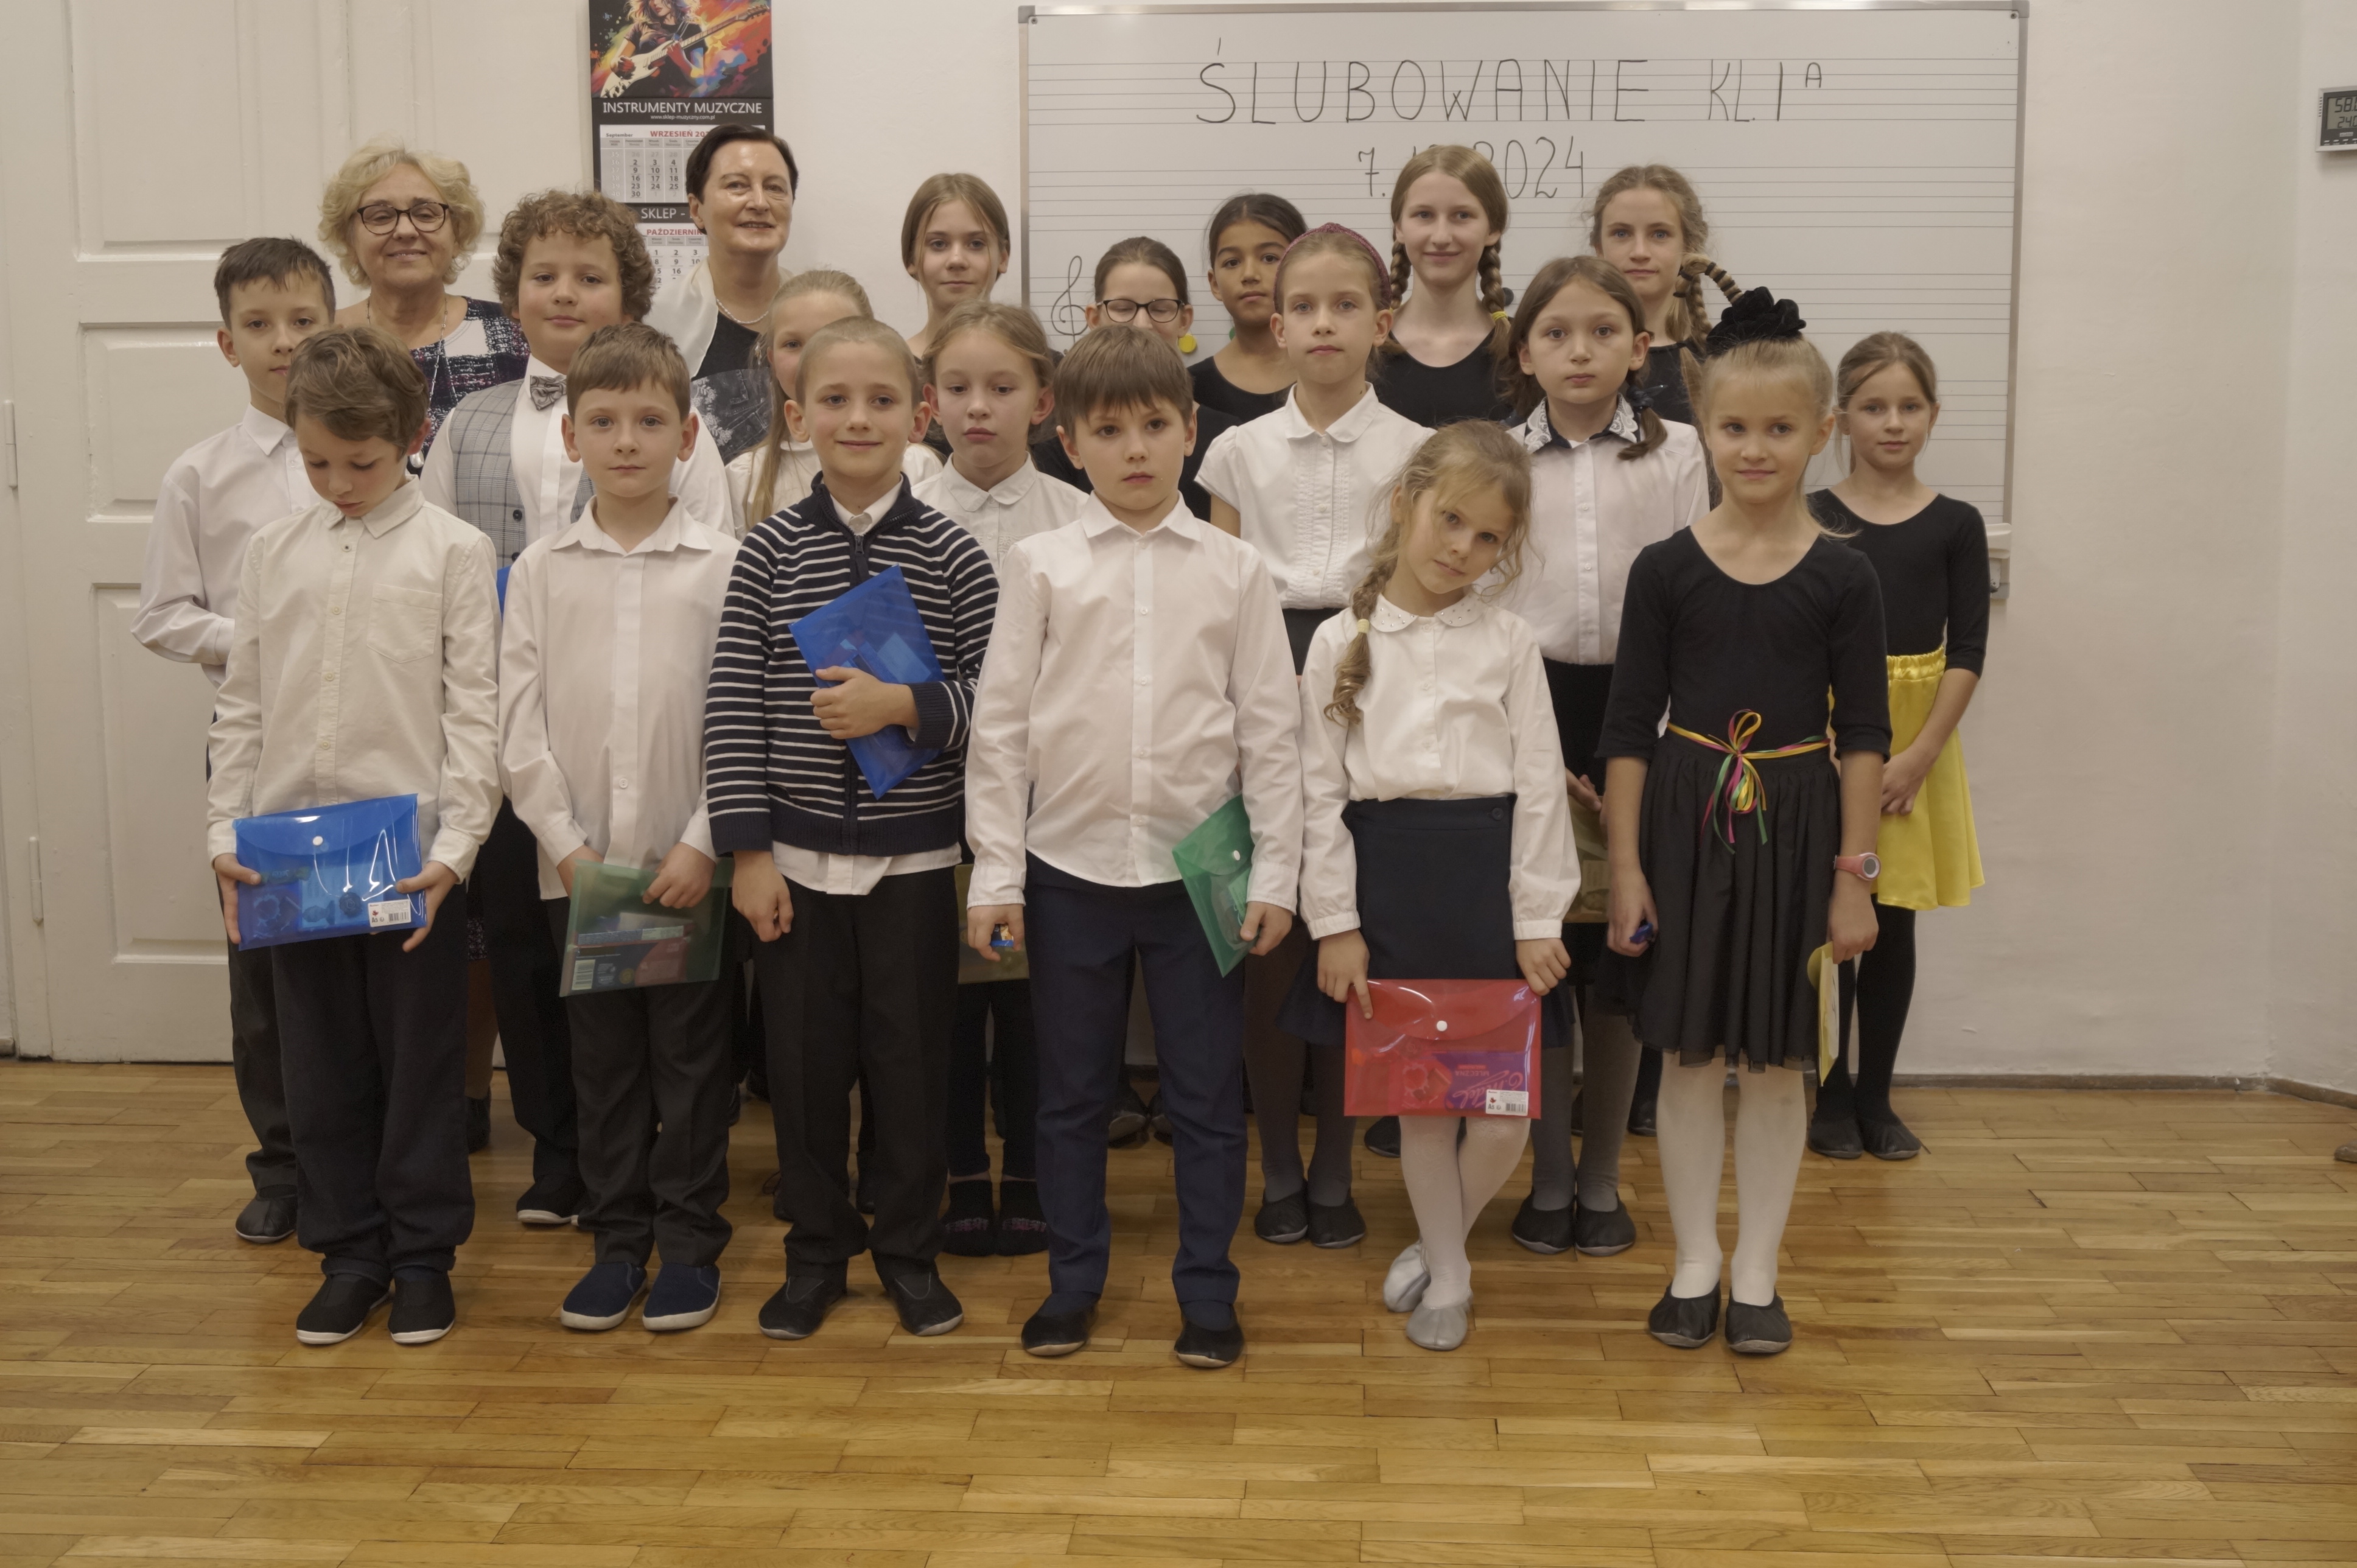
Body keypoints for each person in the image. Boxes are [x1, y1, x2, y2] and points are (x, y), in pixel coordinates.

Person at [965, 327, 1302, 1371]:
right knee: (1070, 1097)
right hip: (1069, 873)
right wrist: (996, 874)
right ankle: (1073, 1284)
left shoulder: (1237, 570)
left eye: (1155, 425)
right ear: (1070, 444)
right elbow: (1001, 728)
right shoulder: (1040, 564)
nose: (1136, 449)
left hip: (1200, 878)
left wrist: (1278, 874)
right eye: (1108, 432)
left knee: (1206, 1098)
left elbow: (1270, 732)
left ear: (1191, 432)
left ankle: (1207, 1290)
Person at [422, 189, 730, 1231]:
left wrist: (705, 832)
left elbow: (729, 669)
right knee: (541, 972)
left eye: (589, 276)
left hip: (675, 804)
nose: (565, 292)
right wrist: (559, 831)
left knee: (682, 1031)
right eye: (544, 275)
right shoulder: (473, 428)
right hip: (545, 770)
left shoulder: (715, 544)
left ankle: (682, 1209)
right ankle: (582, 1173)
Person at [1599, 290, 1889, 1357]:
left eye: (1779, 429)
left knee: (1774, 1062)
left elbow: (1864, 734)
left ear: (1822, 433)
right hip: (1683, 825)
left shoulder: (1845, 574)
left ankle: (1757, 1268)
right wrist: (1627, 868)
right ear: (1703, 430)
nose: (1755, 449)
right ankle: (1694, 1263)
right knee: (1682, 1057)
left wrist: (1853, 876)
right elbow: (1628, 730)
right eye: (1733, 427)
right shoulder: (1665, 570)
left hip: (1798, 829)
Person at [205, 325, 500, 1348]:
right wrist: (222, 834)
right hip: (288, 853)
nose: (338, 484)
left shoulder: (454, 551)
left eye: (361, 465)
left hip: (409, 854)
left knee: (418, 1063)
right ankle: (349, 1254)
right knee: (319, 1064)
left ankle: (421, 1257)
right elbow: (242, 706)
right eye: (317, 463)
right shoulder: (271, 553)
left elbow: (475, 714)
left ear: (412, 439)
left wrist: (456, 851)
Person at [706, 317, 998, 1342]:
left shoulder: (956, 556)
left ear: (920, 417)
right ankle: (815, 1256)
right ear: (798, 417)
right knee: (803, 1075)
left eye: (882, 400)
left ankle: (910, 1256)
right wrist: (748, 854)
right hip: (793, 871)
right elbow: (732, 706)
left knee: (912, 1074)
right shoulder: (766, 553)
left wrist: (904, 706)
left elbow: (1001, 707)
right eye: (834, 400)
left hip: (915, 867)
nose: (858, 418)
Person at [1290, 421, 1572, 1351]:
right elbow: (1317, 795)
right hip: (1389, 892)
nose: (1463, 548)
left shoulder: (1510, 641)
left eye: (1488, 537)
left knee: (1498, 1118)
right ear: (1406, 501)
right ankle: (1450, 1275)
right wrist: (1336, 923)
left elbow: (1540, 785)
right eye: (1450, 519)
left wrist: (1537, 916)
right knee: (1422, 1106)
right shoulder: (1339, 639)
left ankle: (1436, 1241)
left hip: (1488, 892)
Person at [497, 324, 742, 1334]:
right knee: (602, 1069)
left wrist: (703, 840)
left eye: (649, 421)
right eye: (603, 421)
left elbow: (743, 719)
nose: (627, 440)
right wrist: (567, 846)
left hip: (690, 868)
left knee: (692, 1067)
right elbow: (518, 728)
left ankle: (688, 1243)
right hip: (584, 872)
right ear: (571, 438)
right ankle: (617, 1241)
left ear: (687, 436)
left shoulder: (726, 566)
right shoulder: (543, 571)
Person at [1199, 223, 1429, 1242]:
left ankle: (1336, 1167)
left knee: (1350, 935)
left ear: (1383, 323)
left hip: (1374, 677)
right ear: (1277, 324)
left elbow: (1418, 591)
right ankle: (1281, 1171)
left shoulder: (1417, 451)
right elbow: (1218, 592)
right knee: (1271, 942)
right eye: (1303, 306)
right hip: (1259, 679)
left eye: (1346, 305)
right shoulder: (1236, 450)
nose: (1323, 323)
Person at [1492, 256, 1706, 1258]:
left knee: (1621, 953)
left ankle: (1602, 1177)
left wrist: (1651, 742)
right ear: (1523, 352)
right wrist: (1527, 750)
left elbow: (1696, 602)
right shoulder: (1496, 457)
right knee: (1540, 951)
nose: (1579, 351)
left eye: (1602, 331)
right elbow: (1478, 602)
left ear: (1640, 346)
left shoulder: (1680, 454)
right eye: (1556, 333)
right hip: (1524, 714)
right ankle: (1546, 1178)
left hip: (1641, 717)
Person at [134, 237, 338, 1247]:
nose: (283, 342)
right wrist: (254, 638)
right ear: (228, 344)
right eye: (259, 325)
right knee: (267, 975)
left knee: (358, 961)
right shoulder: (200, 476)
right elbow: (162, 615)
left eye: (303, 321)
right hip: (257, 755)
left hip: (368, 748)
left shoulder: (377, 460)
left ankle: (360, 1157)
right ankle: (285, 1166)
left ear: (335, 328)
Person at [913, 301, 1087, 1256]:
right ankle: (957, 1171)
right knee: (945, 997)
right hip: (926, 786)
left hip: (1043, 796)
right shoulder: (904, 513)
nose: (978, 407)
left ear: (1044, 402)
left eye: (1003, 387)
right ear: (930, 402)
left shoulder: (1078, 517)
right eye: (959, 388)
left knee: (1031, 996)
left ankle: (1029, 1167)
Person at [1807, 333, 1988, 1161]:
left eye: (1909, 406)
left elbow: (1967, 651)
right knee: (1827, 922)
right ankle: (1827, 1093)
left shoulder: (1955, 524)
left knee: (1893, 920)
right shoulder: (1814, 517)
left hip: (1916, 746)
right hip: (1824, 738)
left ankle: (1875, 1094)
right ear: (1841, 418)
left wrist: (1917, 757)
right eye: (1874, 407)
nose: (1892, 423)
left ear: (1933, 415)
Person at [319, 139, 527, 452]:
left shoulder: (516, 334)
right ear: (349, 240)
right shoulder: (321, 342)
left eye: (426, 214)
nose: (405, 230)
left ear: (457, 234)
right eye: (380, 216)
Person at [1032, 237, 1237, 519]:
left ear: (1184, 319)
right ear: (1094, 318)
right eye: (1123, 308)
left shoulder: (1229, 440)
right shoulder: (1057, 447)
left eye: (1160, 309)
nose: (1142, 324)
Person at [727, 270, 942, 534]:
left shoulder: (916, 465)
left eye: (832, 337)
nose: (811, 357)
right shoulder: (745, 478)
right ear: (772, 359)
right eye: (793, 344)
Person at [643, 125, 800, 464]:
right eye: (737, 186)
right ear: (696, 209)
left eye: (775, 188)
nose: (759, 202)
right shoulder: (652, 325)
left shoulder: (825, 315)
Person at [1378, 145, 1513, 429]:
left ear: (1493, 229)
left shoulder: (1524, 350)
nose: (1441, 237)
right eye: (1424, 215)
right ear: (1399, 228)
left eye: (1462, 216)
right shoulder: (1363, 346)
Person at [1192, 193, 1306, 422]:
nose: (1250, 274)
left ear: (1304, 268)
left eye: (1269, 258)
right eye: (1232, 262)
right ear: (1215, 284)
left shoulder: (1337, 371)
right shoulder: (1188, 388)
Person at [903, 173, 1014, 360]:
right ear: (911, 258)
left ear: (1003, 258)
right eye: (938, 244)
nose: (957, 260)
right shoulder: (890, 368)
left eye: (976, 244)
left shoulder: (1041, 367)